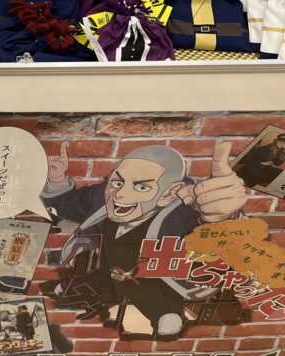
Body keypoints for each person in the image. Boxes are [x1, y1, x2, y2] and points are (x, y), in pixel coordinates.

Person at [42, 142, 246, 340]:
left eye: (141, 187)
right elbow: (69, 204)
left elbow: (212, 239)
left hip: (153, 279)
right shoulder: (102, 196)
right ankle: (85, 286)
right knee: (105, 276)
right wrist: (57, 180)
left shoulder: (184, 211)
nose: (120, 194)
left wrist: (220, 217)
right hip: (110, 270)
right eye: (118, 182)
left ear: (168, 193)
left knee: (145, 288)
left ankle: (164, 313)